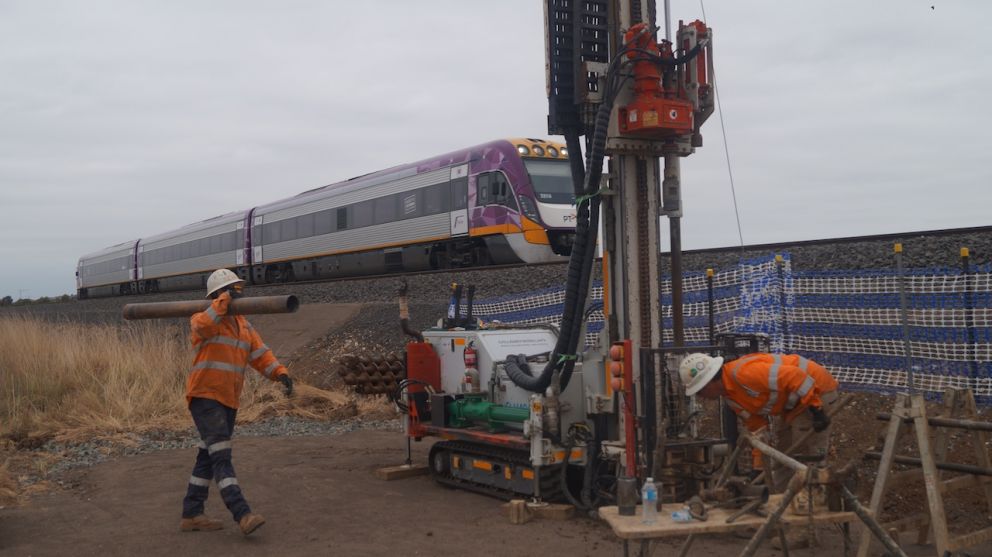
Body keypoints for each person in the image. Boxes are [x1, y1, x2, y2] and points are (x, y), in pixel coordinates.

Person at [179, 268, 294, 536]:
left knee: (207, 457)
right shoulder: (204, 318)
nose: (238, 295)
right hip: (205, 397)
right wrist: (220, 304)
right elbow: (202, 326)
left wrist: (280, 373)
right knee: (221, 455)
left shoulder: (243, 326)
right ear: (218, 295)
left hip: (228, 401)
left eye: (238, 290)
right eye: (232, 290)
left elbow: (260, 354)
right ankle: (242, 514)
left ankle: (192, 513)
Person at [679, 352, 839, 482]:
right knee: (784, 457)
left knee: (805, 452)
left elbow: (795, 376)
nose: (702, 397)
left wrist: (816, 408)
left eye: (699, 391)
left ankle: (816, 498)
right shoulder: (732, 398)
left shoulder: (743, 374)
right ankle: (783, 502)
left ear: (709, 382)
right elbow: (758, 430)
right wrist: (758, 468)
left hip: (816, 389)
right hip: (794, 405)